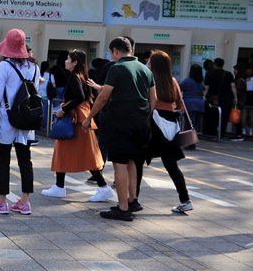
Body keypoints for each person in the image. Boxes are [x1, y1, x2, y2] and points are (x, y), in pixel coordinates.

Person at [83, 37, 156, 221]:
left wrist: (89, 118)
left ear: (116, 51)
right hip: (141, 123)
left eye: (111, 52)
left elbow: (103, 98)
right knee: (132, 160)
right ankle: (133, 200)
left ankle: (122, 208)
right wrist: (145, 116)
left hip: (121, 123)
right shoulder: (144, 70)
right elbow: (153, 99)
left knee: (120, 163)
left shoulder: (116, 68)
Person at [40, 49, 111, 202]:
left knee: (76, 154)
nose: (65, 61)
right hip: (80, 119)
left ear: (75, 62)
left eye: (68, 59)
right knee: (79, 154)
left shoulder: (73, 77)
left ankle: (103, 187)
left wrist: (63, 109)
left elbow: (79, 97)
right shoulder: (82, 76)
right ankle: (60, 186)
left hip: (76, 120)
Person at [0, 28, 39, 215]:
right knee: (26, 161)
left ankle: (2, 201)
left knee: (3, 161)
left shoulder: (5, 66)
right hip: (26, 121)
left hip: (7, 121)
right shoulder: (34, 66)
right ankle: (25, 201)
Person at [144, 50, 193, 214]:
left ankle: (130, 200)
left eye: (150, 61)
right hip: (170, 127)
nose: (147, 63)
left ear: (153, 64)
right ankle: (185, 200)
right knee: (172, 165)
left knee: (135, 160)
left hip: (153, 125)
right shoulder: (172, 81)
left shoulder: (149, 80)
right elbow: (180, 105)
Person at [203, 57, 238, 140]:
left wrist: (203, 96)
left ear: (215, 64)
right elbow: (233, 87)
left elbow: (206, 88)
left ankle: (212, 132)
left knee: (212, 115)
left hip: (212, 98)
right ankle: (221, 133)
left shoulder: (209, 74)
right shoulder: (228, 74)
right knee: (224, 116)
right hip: (226, 98)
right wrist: (235, 97)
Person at [180, 63, 206, 142]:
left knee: (189, 123)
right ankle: (194, 139)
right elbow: (203, 92)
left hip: (189, 103)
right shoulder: (200, 82)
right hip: (200, 104)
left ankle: (189, 142)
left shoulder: (187, 81)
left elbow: (179, 88)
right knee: (196, 123)